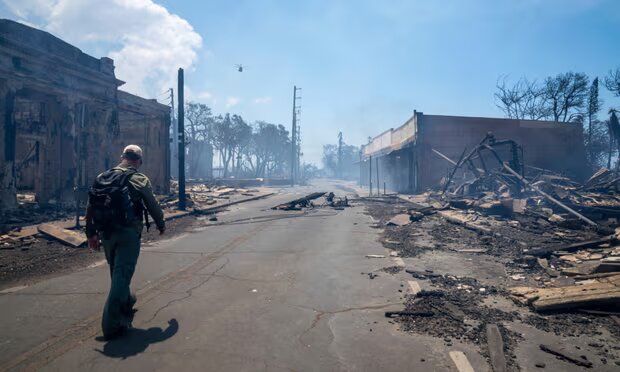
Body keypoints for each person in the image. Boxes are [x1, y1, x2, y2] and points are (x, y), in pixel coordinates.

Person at [86, 144, 165, 340]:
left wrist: (91, 234)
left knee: (116, 272)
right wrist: (161, 224)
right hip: (128, 234)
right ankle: (111, 325)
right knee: (122, 275)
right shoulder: (139, 178)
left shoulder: (102, 177)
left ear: (122, 157)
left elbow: (90, 206)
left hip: (106, 233)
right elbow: (152, 205)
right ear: (139, 161)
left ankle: (126, 301)